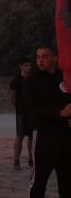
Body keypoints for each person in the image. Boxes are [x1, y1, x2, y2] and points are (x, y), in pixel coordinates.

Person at [25, 46, 71, 198]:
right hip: (44, 136)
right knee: (39, 181)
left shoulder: (65, 78)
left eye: (45, 56)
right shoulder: (32, 80)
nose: (40, 60)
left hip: (65, 136)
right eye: (38, 57)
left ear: (55, 58)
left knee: (67, 181)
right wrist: (59, 113)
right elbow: (33, 109)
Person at [9, 58, 33, 170]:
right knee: (20, 136)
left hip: (33, 112)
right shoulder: (16, 81)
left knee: (32, 137)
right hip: (21, 112)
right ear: (21, 67)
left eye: (29, 65)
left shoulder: (34, 79)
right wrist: (18, 109)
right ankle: (16, 160)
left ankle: (31, 159)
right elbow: (13, 97)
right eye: (26, 65)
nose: (28, 67)